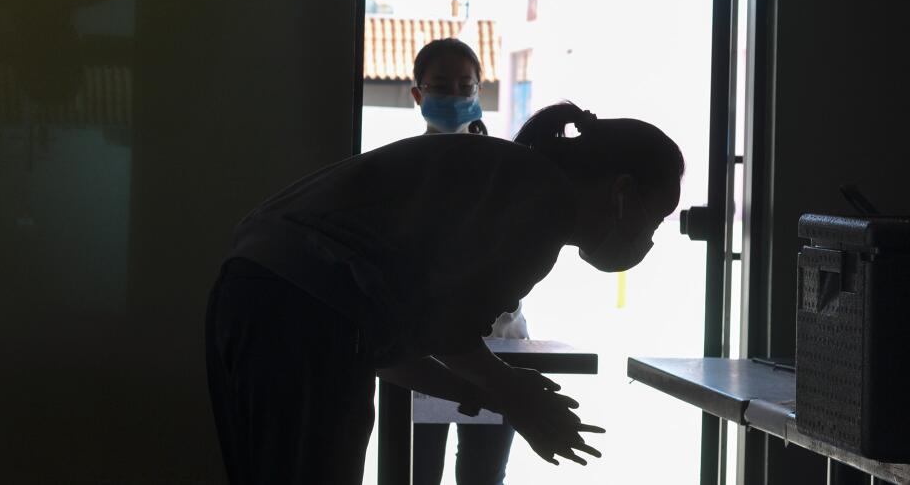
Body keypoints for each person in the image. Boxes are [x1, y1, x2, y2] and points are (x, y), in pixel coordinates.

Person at [205, 100, 685, 485]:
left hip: (251, 297)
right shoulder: (544, 203)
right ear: (622, 192)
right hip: (296, 317)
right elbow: (447, 331)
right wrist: (516, 394)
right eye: (658, 216)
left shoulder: (506, 176)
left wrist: (490, 393)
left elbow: (383, 346)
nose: (649, 236)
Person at [407, 38, 523, 485]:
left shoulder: (505, 167)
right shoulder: (401, 168)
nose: (454, 96)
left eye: (464, 85)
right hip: (423, 352)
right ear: (418, 94)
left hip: (500, 344)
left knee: (483, 475)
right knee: (419, 473)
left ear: (478, 91)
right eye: (440, 86)